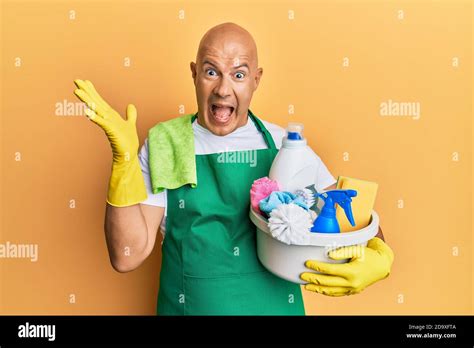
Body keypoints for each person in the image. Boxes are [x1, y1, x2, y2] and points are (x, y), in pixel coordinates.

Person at [73, 22, 394, 315]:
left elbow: (351, 219)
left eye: (239, 75)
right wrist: (124, 164)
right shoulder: (167, 143)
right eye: (211, 72)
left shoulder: (288, 147)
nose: (223, 90)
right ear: (194, 73)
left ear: (257, 79)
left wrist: (380, 254)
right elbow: (127, 256)